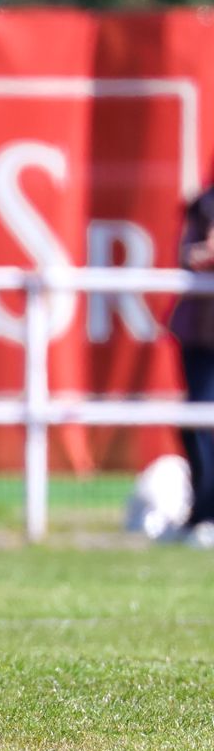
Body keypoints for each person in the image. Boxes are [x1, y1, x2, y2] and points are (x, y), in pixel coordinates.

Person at [164, 179, 214, 546]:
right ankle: (203, 511)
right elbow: (188, 254)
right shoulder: (204, 203)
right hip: (200, 333)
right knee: (196, 423)